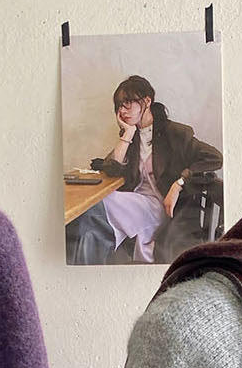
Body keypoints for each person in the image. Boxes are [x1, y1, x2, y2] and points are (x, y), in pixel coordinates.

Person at [67, 75, 222, 264]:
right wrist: (128, 134)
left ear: (147, 101)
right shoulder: (133, 135)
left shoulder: (174, 133)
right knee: (90, 228)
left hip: (160, 206)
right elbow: (111, 168)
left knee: (92, 206)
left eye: (127, 103)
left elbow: (214, 157)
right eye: (119, 106)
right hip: (136, 203)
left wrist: (179, 183)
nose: (122, 111)